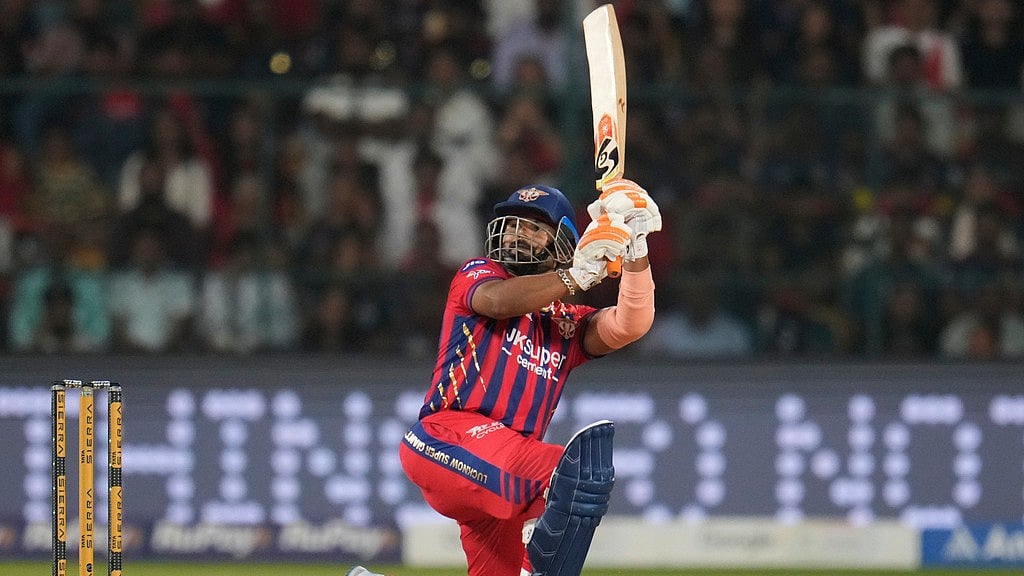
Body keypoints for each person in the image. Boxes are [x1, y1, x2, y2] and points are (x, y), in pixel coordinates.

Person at [347, 180, 661, 576]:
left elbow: (630, 323)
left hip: (501, 473)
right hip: (446, 439)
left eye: (534, 227)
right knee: (577, 473)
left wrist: (637, 248)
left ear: (562, 241)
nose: (517, 232)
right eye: (513, 223)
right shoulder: (478, 273)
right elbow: (497, 302)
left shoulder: (566, 322)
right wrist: (577, 275)